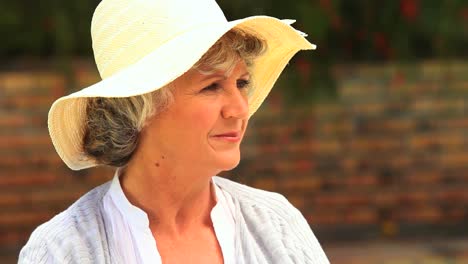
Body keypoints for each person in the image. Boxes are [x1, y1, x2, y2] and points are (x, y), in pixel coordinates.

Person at [19, 0, 329, 263]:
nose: (240, 109)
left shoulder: (276, 225)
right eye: (212, 87)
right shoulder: (63, 251)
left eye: (241, 84)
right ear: (140, 107)